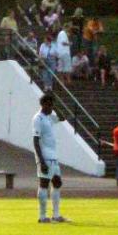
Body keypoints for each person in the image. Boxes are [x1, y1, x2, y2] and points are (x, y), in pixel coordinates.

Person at [33, 94, 68, 223]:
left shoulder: (49, 117)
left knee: (57, 182)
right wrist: (41, 160)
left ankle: (56, 215)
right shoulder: (38, 119)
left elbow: (63, 118)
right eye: (49, 105)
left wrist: (55, 106)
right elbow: (35, 140)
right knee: (44, 183)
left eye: (52, 105)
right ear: (43, 105)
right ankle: (42, 216)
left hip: (53, 155)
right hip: (45, 155)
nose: (51, 107)